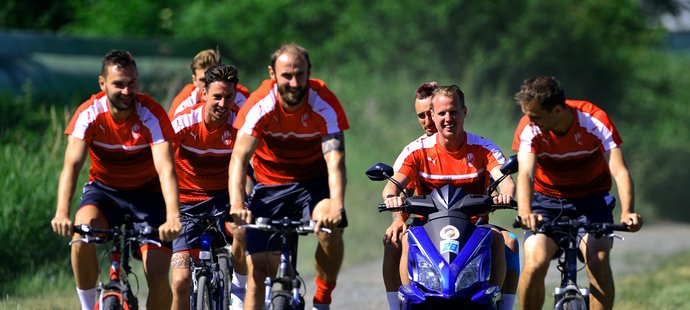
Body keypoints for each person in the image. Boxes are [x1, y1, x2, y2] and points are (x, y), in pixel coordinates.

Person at [50, 49, 181, 310]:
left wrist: (173, 215)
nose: (126, 91)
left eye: (131, 83)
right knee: (82, 236)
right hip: (104, 191)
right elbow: (71, 166)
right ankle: (88, 306)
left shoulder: (151, 114)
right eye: (118, 84)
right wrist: (62, 212)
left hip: (148, 195)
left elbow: (166, 168)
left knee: (157, 274)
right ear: (102, 83)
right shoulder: (89, 114)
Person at [228, 43, 349, 310]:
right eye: (286, 75)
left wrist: (336, 205)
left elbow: (335, 160)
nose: (294, 83)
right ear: (272, 74)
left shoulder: (323, 102)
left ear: (309, 73)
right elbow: (239, 157)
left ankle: (323, 298)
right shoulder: (260, 104)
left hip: (313, 182)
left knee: (330, 231)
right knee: (257, 270)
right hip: (270, 183)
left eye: (300, 75)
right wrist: (237, 203)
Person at [512, 76, 643, 310]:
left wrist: (628, 211)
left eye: (535, 116)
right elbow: (526, 175)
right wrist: (525, 212)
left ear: (558, 110)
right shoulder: (529, 127)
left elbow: (619, 171)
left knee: (598, 260)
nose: (530, 121)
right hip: (546, 203)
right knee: (534, 263)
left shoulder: (593, 119)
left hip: (592, 202)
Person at [382, 85, 515, 306]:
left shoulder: (484, 148)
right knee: (404, 240)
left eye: (453, 112)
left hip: (474, 228)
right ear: (433, 117)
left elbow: (506, 182)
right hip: (426, 228)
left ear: (464, 112)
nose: (448, 119)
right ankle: (403, 306)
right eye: (442, 113)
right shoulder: (417, 150)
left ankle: (496, 305)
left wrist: (504, 195)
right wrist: (393, 203)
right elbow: (391, 187)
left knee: (506, 240)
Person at [169, 64, 249, 310]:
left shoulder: (240, 125)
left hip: (225, 197)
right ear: (203, 94)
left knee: (241, 230)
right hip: (185, 202)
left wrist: (246, 200)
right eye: (217, 97)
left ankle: (238, 287)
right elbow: (161, 165)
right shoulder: (183, 122)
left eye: (229, 97)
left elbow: (254, 163)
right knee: (181, 280)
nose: (223, 104)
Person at [168, 48, 251, 119]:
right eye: (203, 80)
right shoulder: (185, 100)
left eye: (213, 79)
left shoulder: (240, 95)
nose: (208, 84)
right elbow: (170, 135)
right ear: (194, 80)